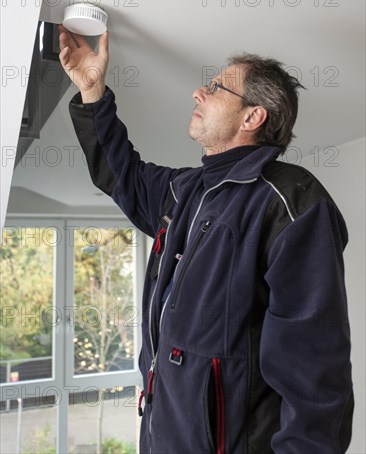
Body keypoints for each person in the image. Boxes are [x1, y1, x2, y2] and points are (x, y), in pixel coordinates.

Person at [58, 24, 354, 453]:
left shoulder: (290, 201)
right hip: (164, 436)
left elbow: (314, 373)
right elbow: (121, 174)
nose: (199, 92)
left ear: (253, 116)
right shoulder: (188, 190)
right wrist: (92, 90)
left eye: (216, 87)